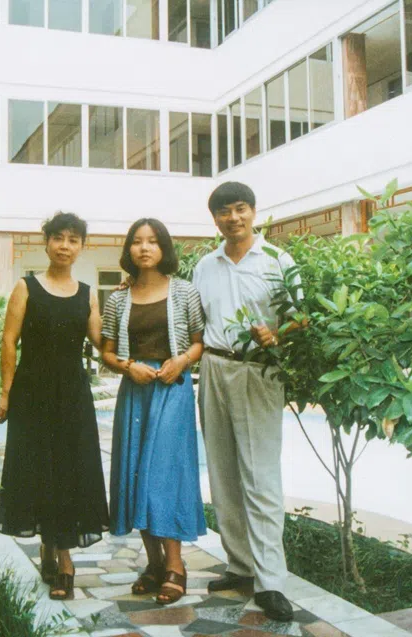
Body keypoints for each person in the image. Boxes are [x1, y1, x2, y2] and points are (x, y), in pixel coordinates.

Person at [192, 182, 297, 622]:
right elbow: (192, 318)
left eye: (240, 209)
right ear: (214, 218)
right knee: (222, 471)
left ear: (253, 212)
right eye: (223, 211)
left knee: (260, 476)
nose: (232, 218)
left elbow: (300, 315)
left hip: (257, 369)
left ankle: (271, 581)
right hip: (214, 368)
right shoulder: (205, 266)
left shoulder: (277, 261)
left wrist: (277, 335)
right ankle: (240, 566)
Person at [0, 212, 109, 602]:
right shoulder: (26, 288)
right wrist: (6, 393)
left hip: (73, 396)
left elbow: (100, 342)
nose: (65, 245)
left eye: (73, 239)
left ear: (81, 246)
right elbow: (9, 342)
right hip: (32, 394)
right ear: (45, 241)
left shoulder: (88, 293)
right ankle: (57, 554)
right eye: (58, 237)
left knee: (68, 474)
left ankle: (61, 557)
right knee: (38, 471)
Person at [100, 218, 207, 606]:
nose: (144, 248)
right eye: (137, 242)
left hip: (172, 389)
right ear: (129, 250)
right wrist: (129, 367)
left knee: (164, 475)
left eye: (153, 241)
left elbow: (200, 342)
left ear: (164, 248)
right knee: (134, 474)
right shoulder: (117, 299)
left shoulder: (185, 291)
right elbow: (107, 352)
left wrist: (181, 362)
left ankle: (176, 566)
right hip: (136, 391)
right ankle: (153, 563)